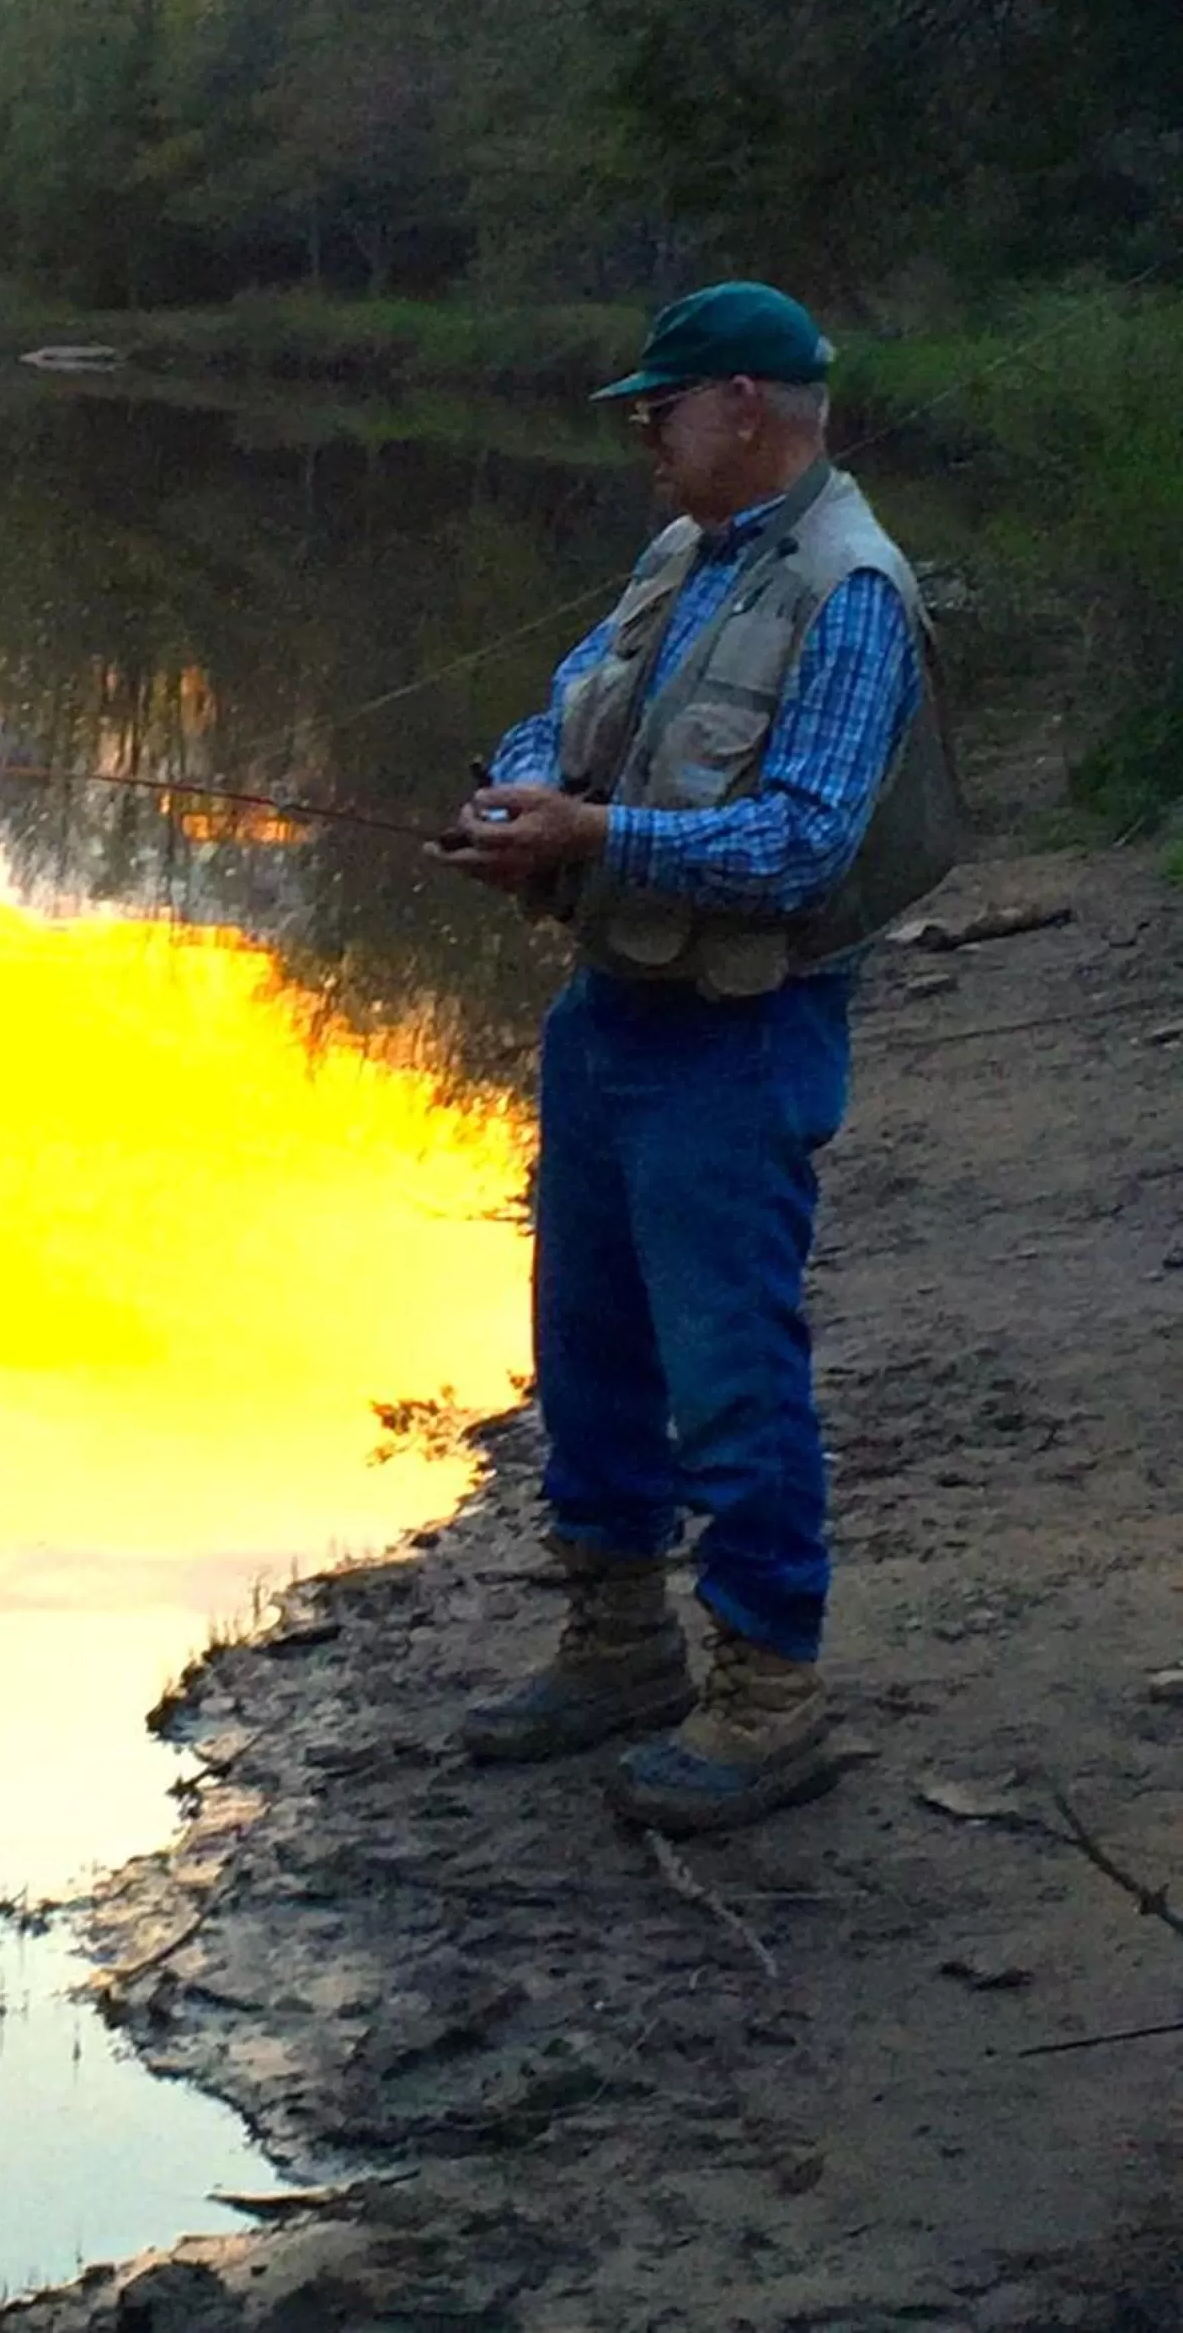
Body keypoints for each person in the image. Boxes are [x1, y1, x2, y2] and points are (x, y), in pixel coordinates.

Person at [439, 280, 961, 1834]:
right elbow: (558, 710)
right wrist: (521, 800)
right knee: (588, 1342)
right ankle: (614, 1646)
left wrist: (595, 831)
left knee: (731, 1376)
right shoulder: (686, 553)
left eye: (656, 410)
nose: (639, 438)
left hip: (738, 1034)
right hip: (609, 1012)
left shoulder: (850, 590)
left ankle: (769, 1699)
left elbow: (801, 844)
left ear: (744, 403)